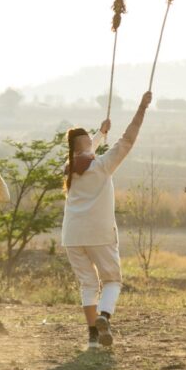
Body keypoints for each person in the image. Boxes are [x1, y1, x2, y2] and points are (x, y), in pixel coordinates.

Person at [62, 91, 153, 349]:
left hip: (72, 236)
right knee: (112, 280)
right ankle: (104, 316)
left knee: (88, 284)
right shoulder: (102, 165)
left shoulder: (68, 168)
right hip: (99, 234)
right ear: (86, 145)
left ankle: (93, 338)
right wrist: (142, 107)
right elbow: (128, 139)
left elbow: (84, 151)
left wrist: (100, 133)